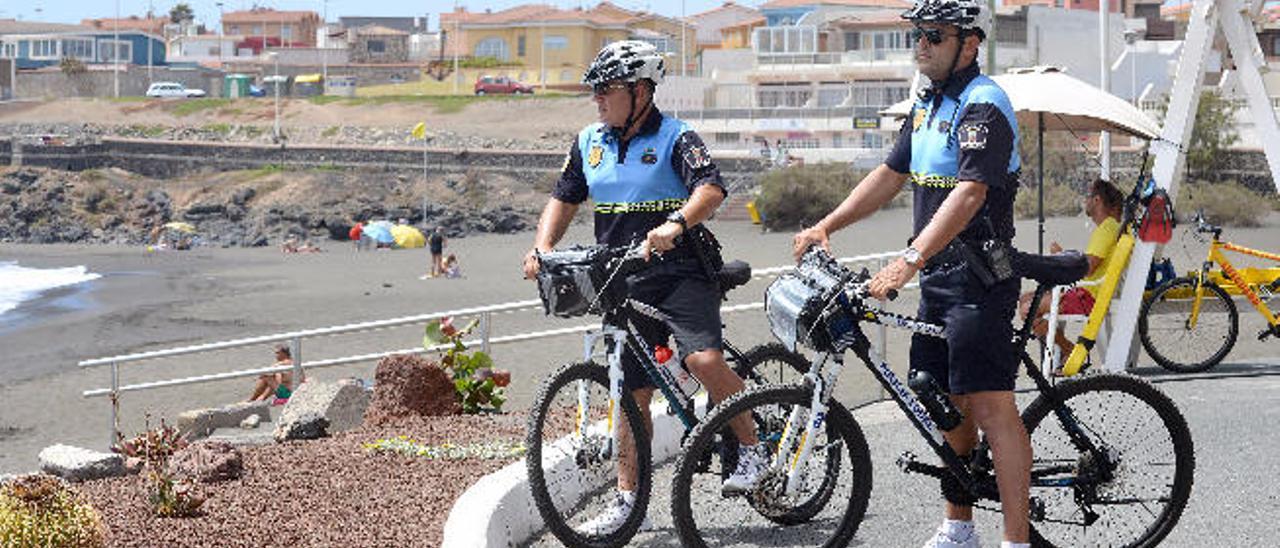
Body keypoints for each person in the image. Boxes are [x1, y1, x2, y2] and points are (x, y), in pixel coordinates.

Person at [792, 1, 1030, 546]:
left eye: (935, 35)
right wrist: (827, 225)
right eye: (917, 35)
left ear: (969, 44)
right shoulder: (928, 102)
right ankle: (958, 526)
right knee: (941, 400)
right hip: (938, 278)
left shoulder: (983, 104)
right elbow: (890, 173)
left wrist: (909, 260)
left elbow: (970, 194)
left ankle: (1015, 540)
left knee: (991, 407)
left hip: (980, 280)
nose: (921, 44)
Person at [520, 40, 764, 536]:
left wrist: (676, 224)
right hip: (620, 277)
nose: (597, 99)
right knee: (630, 395)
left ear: (640, 91)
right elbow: (564, 199)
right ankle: (629, 500)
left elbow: (711, 189)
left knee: (705, 362)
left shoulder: (677, 136)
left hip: (681, 273)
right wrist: (542, 247)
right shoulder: (589, 140)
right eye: (595, 91)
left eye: (606, 90)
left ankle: (753, 452)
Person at [1019, 178, 1124, 364]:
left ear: (1097, 200)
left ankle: (1071, 351)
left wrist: (1061, 262)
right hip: (1088, 292)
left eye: (1088, 197)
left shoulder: (1107, 228)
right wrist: (1063, 257)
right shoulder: (1111, 228)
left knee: (1028, 309)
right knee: (1027, 299)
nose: (1086, 201)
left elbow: (1088, 268)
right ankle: (1061, 355)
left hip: (1088, 296)